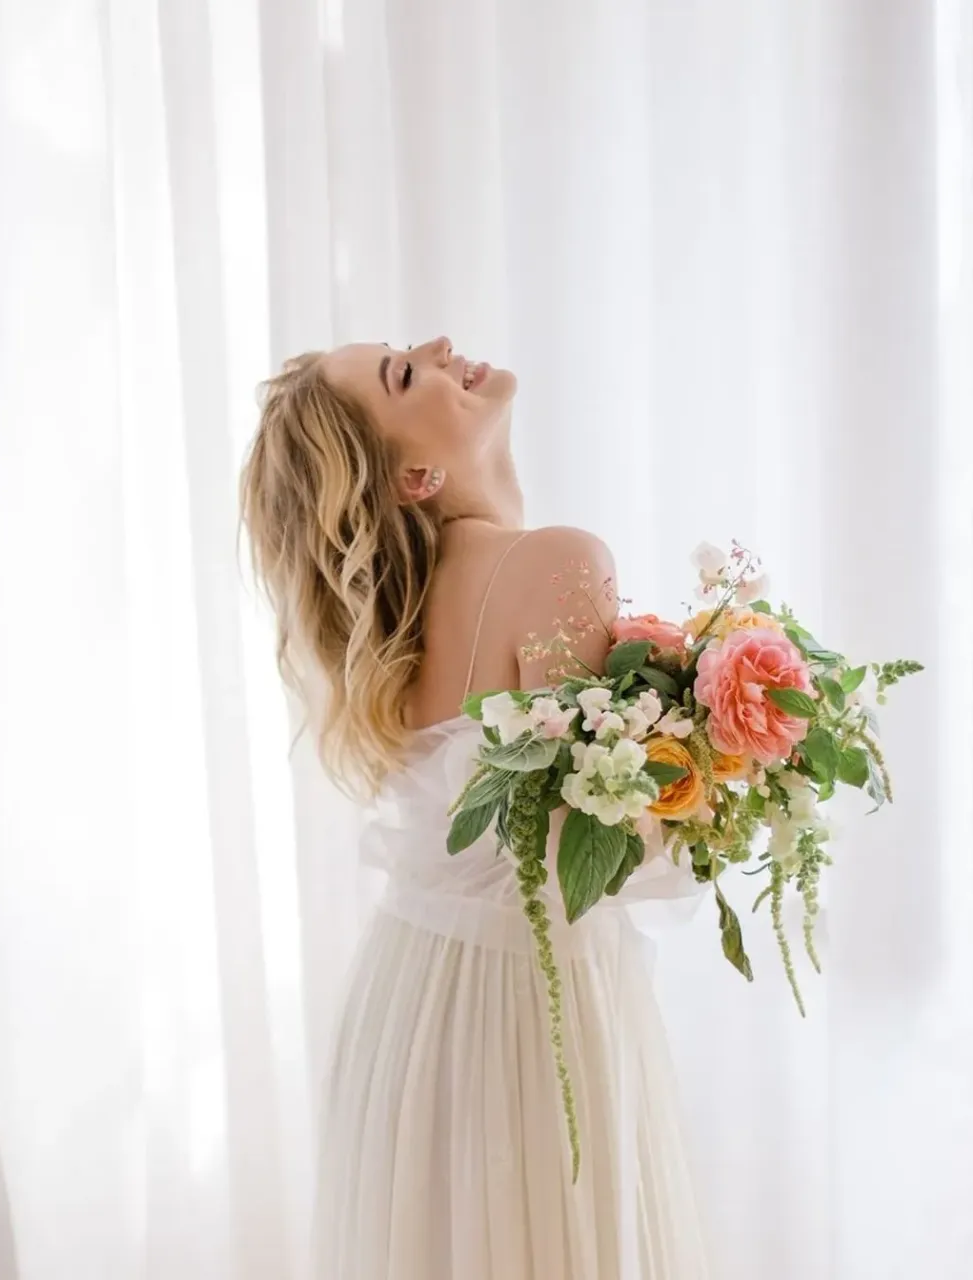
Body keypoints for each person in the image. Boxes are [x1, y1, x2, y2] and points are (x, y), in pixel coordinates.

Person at [240, 337, 712, 1278]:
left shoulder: (409, 619)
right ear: (415, 474)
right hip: (524, 1011)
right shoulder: (555, 563)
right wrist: (727, 757)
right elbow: (597, 854)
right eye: (403, 374)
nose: (436, 348)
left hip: (410, 1011)